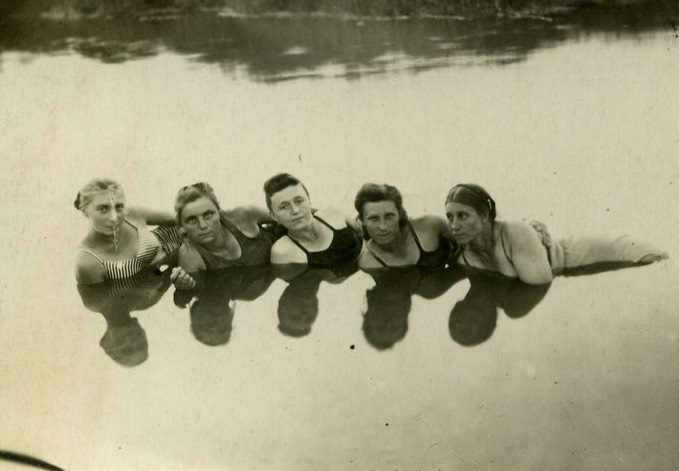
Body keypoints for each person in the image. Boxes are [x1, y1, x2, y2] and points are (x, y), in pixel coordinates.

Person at [444, 183, 669, 284]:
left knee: (655, 257)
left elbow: (540, 284)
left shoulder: (513, 234)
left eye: (463, 216)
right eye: (450, 217)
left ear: (484, 216)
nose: (454, 225)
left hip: (587, 253)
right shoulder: (461, 253)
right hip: (571, 268)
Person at [75, 178, 182, 285]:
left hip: (183, 249)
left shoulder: (131, 214)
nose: (114, 218)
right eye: (103, 209)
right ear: (84, 210)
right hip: (172, 279)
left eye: (119, 207)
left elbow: (179, 217)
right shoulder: (88, 262)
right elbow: (106, 300)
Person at [171, 182, 274, 290]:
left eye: (208, 215)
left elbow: (284, 218)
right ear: (182, 226)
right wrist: (185, 287)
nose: (203, 226)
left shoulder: (243, 215)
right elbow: (198, 297)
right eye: (192, 220)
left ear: (219, 211)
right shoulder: (190, 255)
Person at [264, 173, 362, 267]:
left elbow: (365, 235)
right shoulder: (284, 252)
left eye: (299, 201)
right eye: (284, 207)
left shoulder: (333, 213)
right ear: (273, 216)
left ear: (309, 201)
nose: (295, 211)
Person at [354, 183, 453, 270]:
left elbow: (465, 243)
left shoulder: (431, 226)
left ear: (400, 214)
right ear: (362, 221)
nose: (383, 227)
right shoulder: (368, 262)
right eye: (374, 219)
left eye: (389, 216)